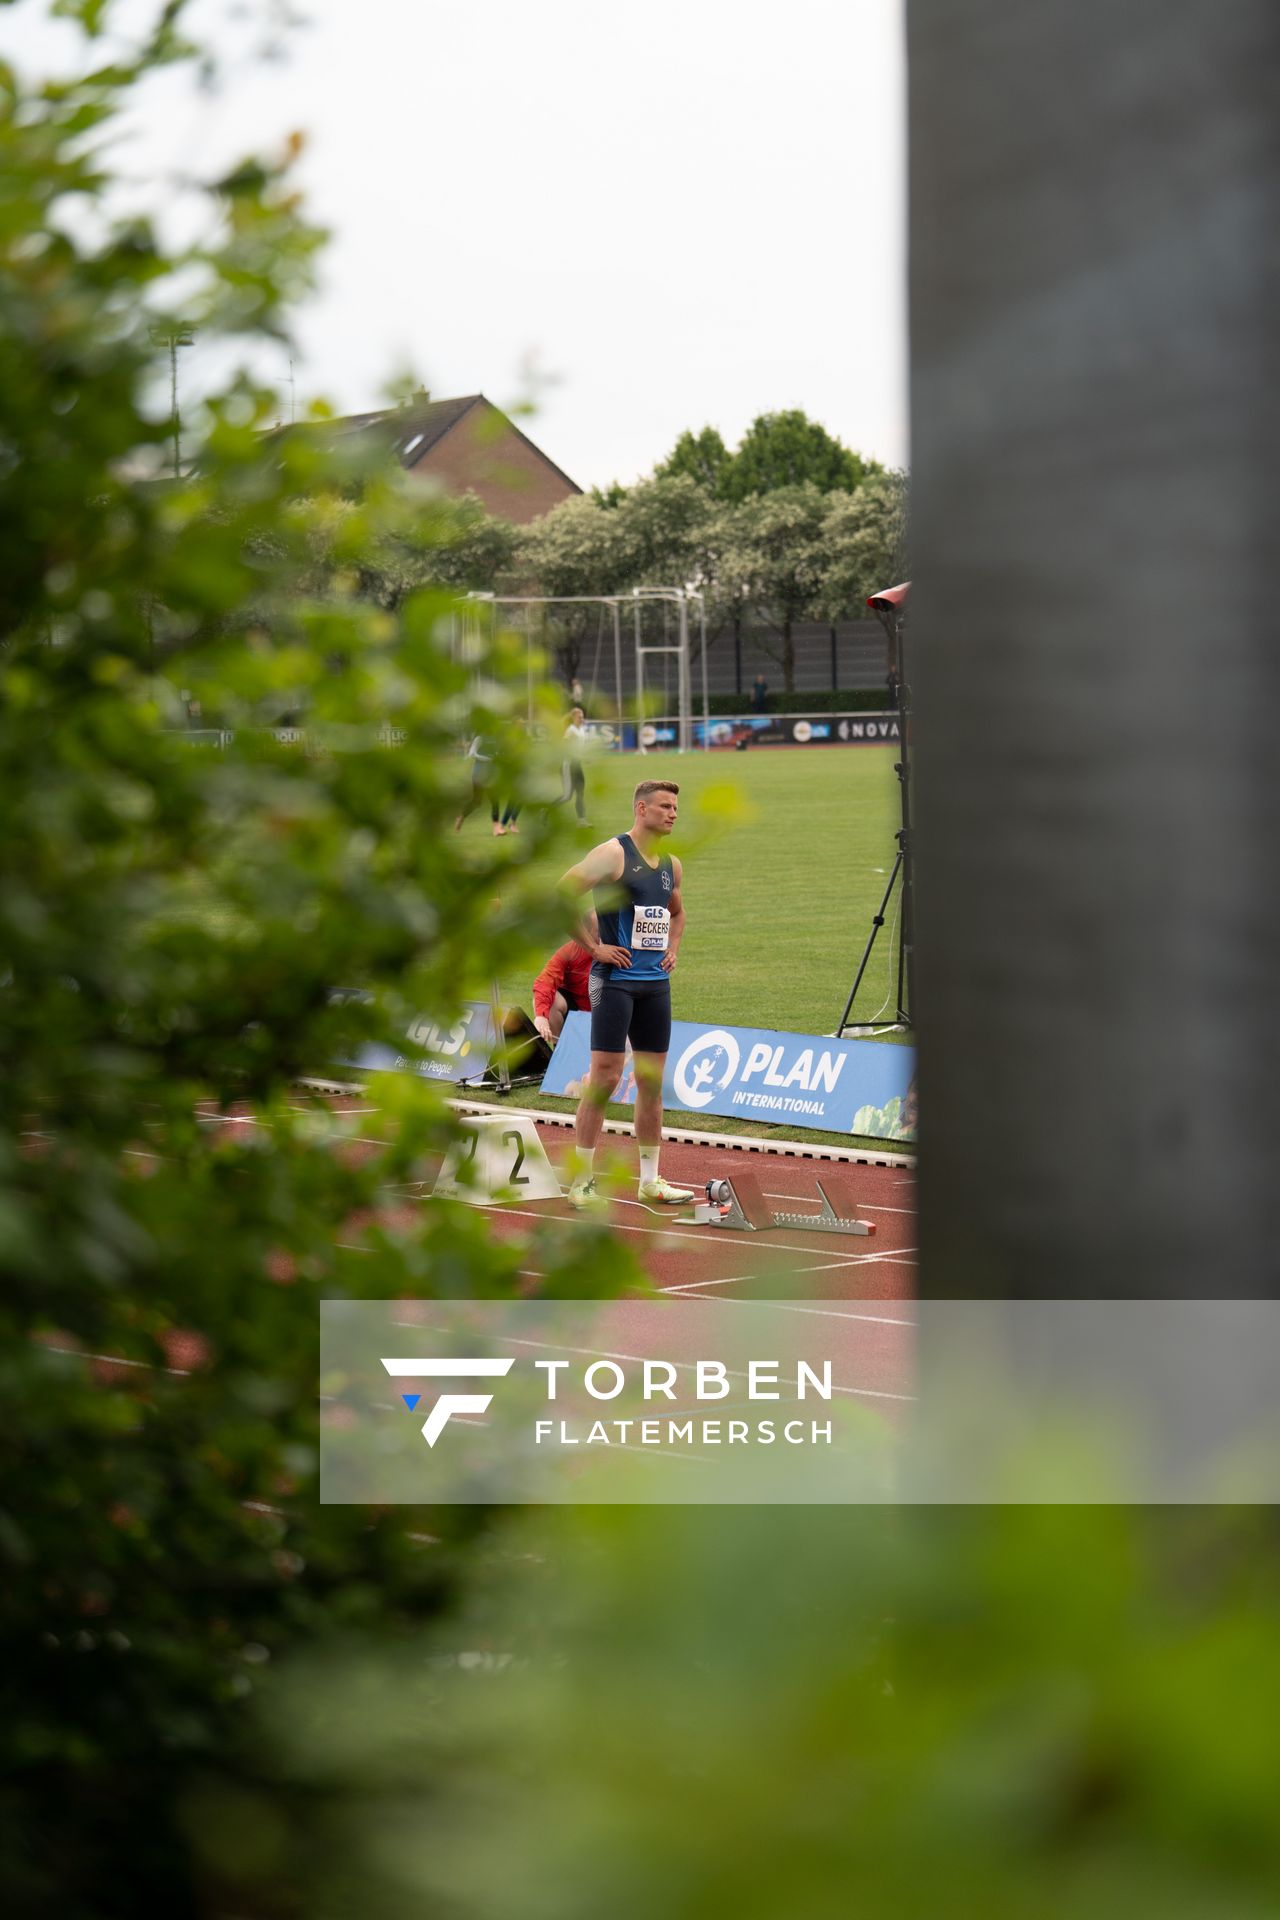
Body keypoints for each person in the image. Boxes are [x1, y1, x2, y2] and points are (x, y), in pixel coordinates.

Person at [558, 779, 697, 1209]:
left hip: (655, 986)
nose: (673, 813)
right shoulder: (613, 854)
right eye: (664, 806)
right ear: (641, 808)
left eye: (676, 806)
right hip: (613, 981)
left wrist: (671, 949)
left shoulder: (671, 864)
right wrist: (593, 947)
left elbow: (676, 910)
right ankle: (581, 1182)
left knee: (652, 1083)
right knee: (603, 1079)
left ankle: (650, 1181)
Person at [532, 934, 594, 1043]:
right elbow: (546, 981)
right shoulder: (570, 951)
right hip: (579, 1010)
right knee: (551, 1002)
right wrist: (541, 1016)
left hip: (612, 1012)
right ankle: (560, 1052)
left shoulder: (623, 950)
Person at [559, 706, 590, 822]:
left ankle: (582, 821)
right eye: (579, 717)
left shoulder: (581, 729)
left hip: (577, 765)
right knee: (567, 796)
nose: (581, 719)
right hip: (568, 765)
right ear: (573, 718)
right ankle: (546, 810)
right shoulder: (570, 730)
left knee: (580, 793)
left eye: (582, 717)